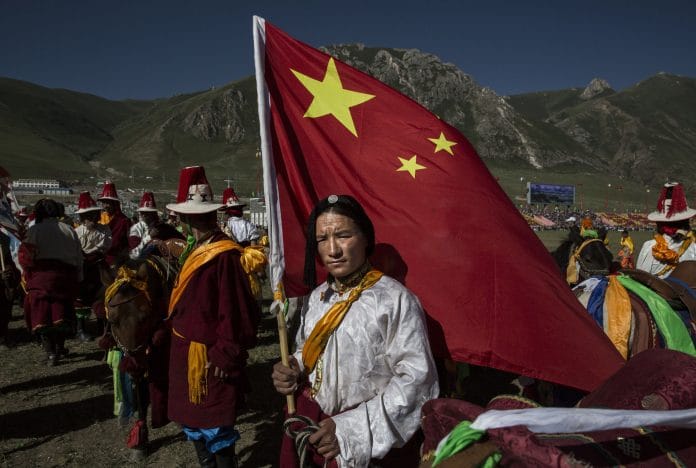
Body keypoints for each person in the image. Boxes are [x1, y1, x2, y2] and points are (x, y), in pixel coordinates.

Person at [272, 194, 439, 467]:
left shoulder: (394, 300)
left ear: (365, 238)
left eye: (343, 235)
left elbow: (417, 383)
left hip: (365, 440)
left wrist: (350, 429)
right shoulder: (317, 298)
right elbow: (309, 350)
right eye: (322, 239)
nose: (333, 249)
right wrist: (293, 366)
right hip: (312, 426)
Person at [165, 166, 260, 468]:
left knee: (216, 425)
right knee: (193, 422)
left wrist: (226, 353)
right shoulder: (196, 250)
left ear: (184, 218)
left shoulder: (224, 256)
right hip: (185, 352)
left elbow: (236, 312)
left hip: (208, 357)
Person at [18, 198, 83, 365]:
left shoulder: (35, 230)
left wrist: (26, 271)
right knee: (61, 314)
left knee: (43, 316)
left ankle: (51, 353)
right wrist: (78, 277)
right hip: (65, 277)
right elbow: (78, 257)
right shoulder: (69, 229)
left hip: (42, 277)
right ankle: (59, 348)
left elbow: (26, 257)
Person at [636, 182, 696, 278]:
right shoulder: (693, 248)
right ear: (686, 222)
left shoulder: (649, 247)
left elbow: (640, 281)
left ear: (659, 223)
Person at [74, 191, 112, 341]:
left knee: (102, 295)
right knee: (80, 298)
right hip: (82, 268)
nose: (93, 220)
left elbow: (105, 246)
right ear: (83, 219)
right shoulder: (76, 232)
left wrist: (91, 252)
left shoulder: (104, 230)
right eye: (89, 217)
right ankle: (80, 328)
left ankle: (101, 325)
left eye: (94, 216)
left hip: (98, 268)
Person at [97, 181, 131, 266]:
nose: (105, 206)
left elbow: (129, 243)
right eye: (104, 203)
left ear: (115, 203)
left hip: (117, 260)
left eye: (108, 203)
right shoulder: (99, 219)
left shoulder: (124, 221)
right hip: (99, 258)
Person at [128, 191, 161, 259]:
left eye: (148, 213)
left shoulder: (162, 228)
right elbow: (135, 253)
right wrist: (149, 237)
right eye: (143, 213)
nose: (144, 215)